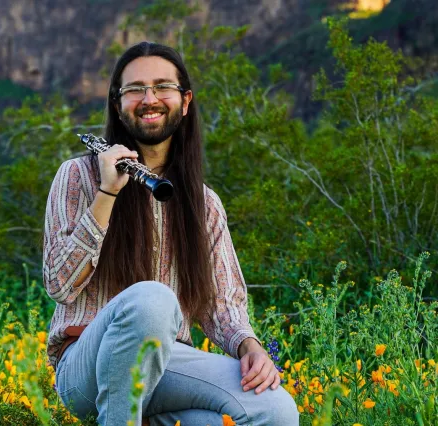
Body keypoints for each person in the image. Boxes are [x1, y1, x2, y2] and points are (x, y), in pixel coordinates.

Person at [43, 42, 299, 426]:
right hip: (86, 367)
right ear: (117, 104)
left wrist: (250, 345)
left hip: (166, 363)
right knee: (152, 300)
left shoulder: (204, 203)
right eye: (135, 90)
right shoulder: (79, 176)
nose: (150, 99)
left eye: (162, 87)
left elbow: (223, 304)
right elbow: (59, 285)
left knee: (275, 410)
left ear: (185, 100)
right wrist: (107, 193)